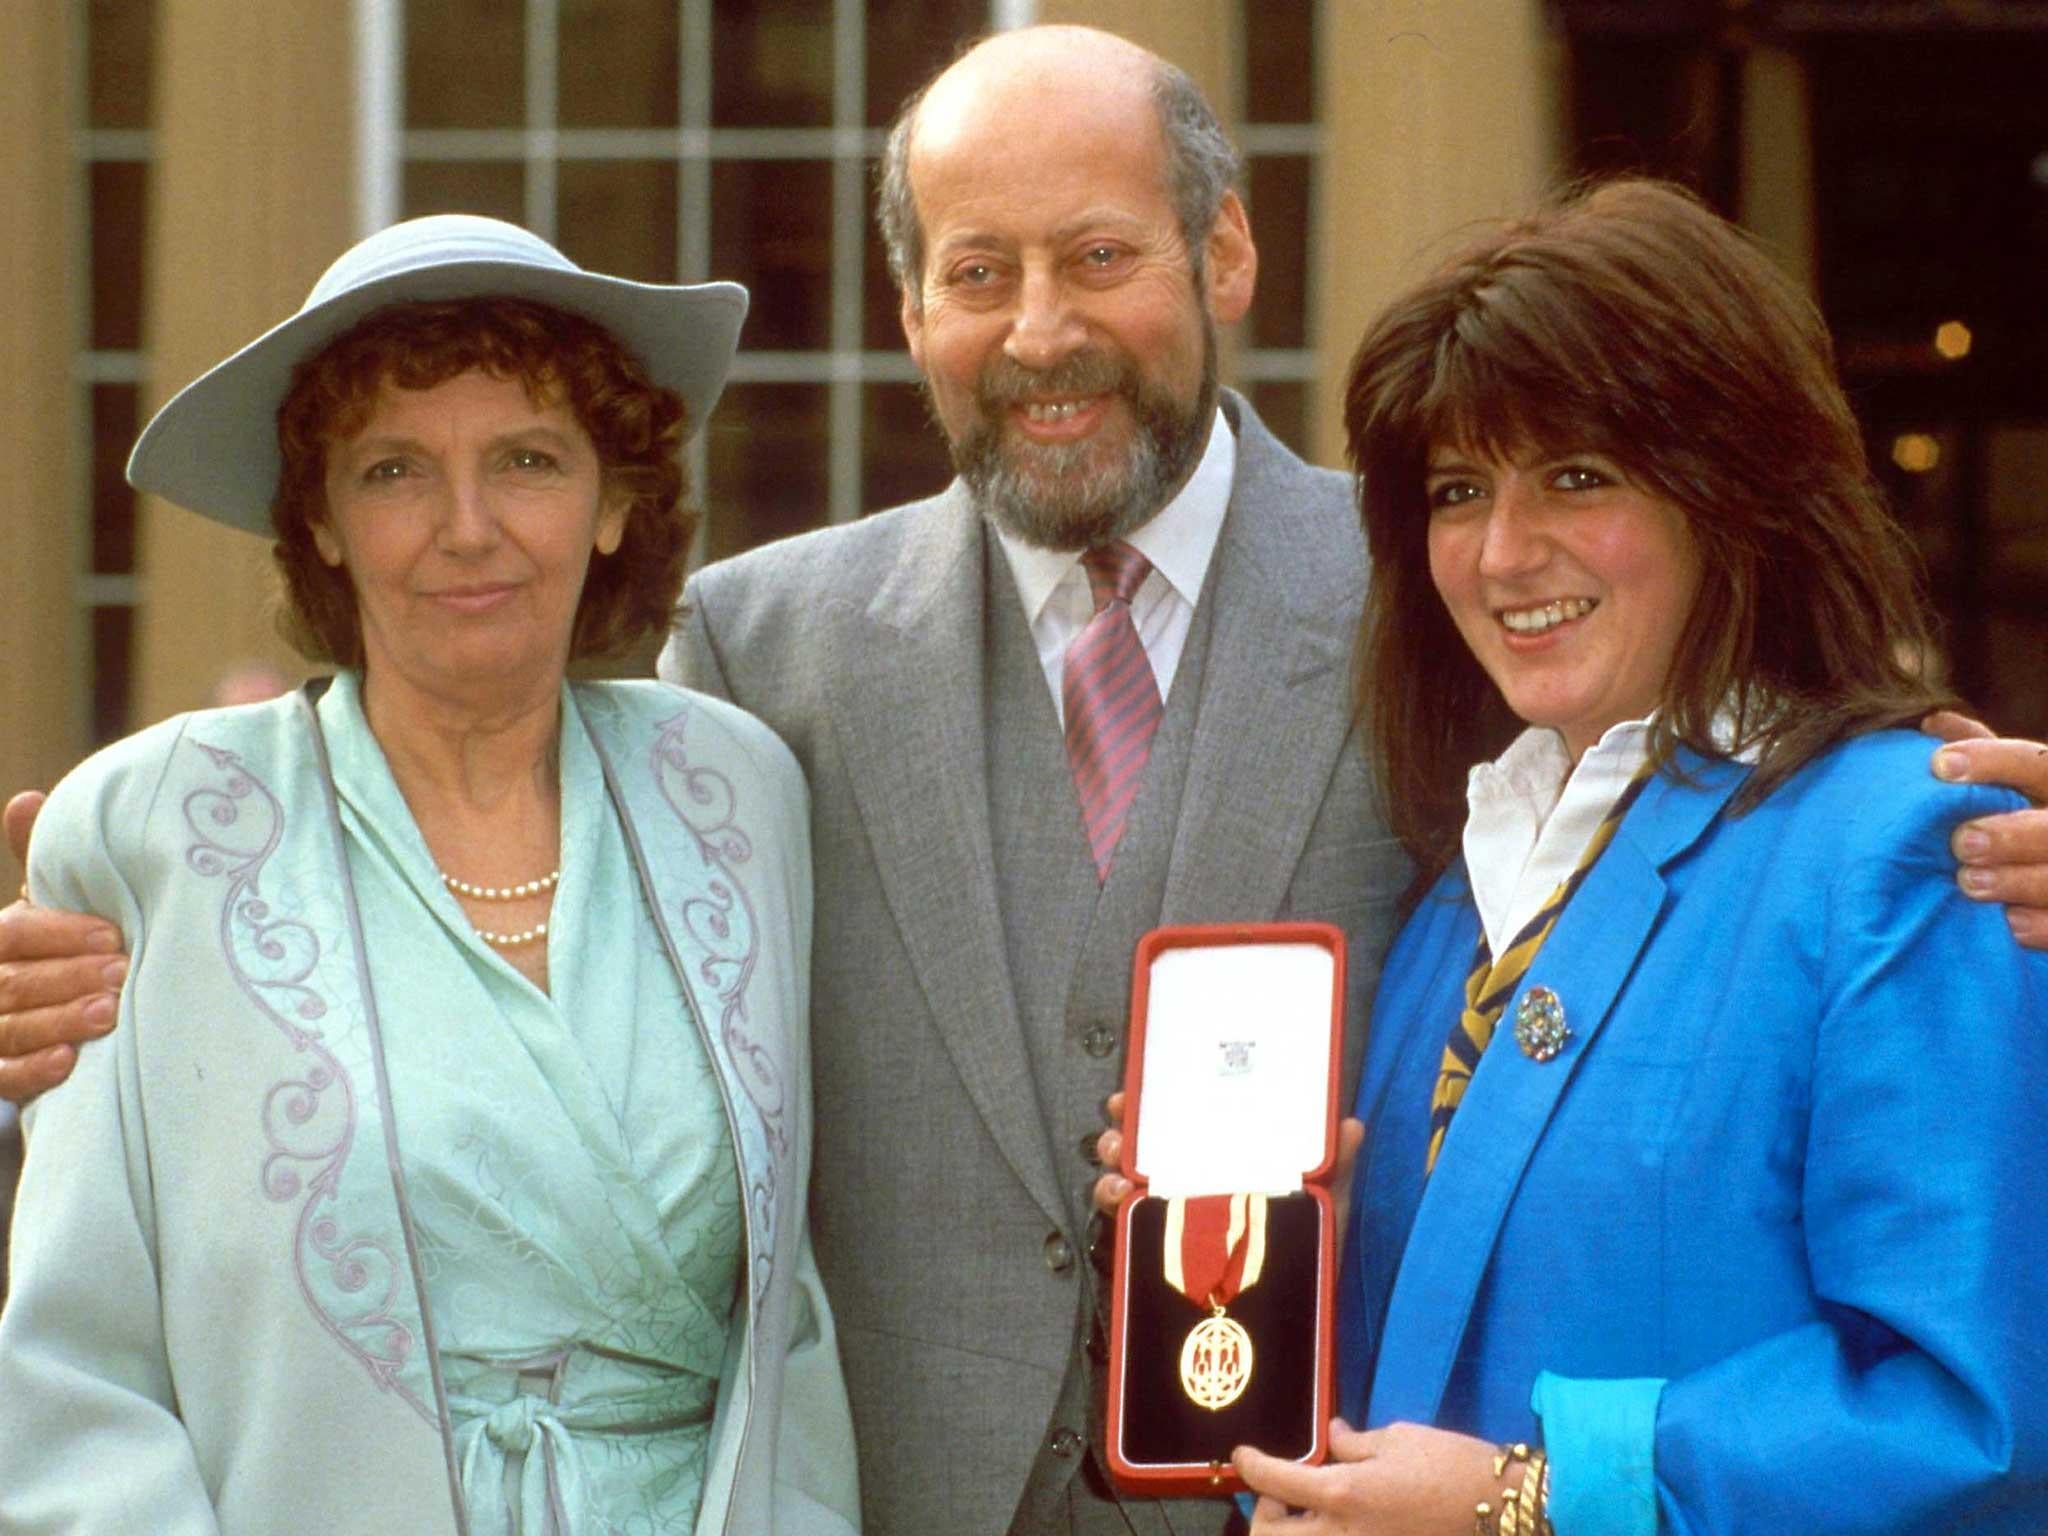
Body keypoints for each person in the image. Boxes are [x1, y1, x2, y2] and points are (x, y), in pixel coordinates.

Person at [6, 25, 2048, 1536]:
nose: (1038, 328)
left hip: (1307, 1489)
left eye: (1095, 256)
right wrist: (91, 948)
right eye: (976, 273)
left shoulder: (1448, 596)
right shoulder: (754, 653)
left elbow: (1743, 827)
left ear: (1228, 256)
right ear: (909, 306)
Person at [0, 215, 860, 1534]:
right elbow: (73, 1374)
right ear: (323, 524)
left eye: (527, 459)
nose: (469, 528)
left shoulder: (734, 794)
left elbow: (789, 1322)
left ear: (616, 496)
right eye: (396, 470)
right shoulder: (157, 825)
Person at [1232, 179, 2048, 1533]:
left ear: (1734, 494)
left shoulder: (1907, 846)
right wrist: (1236, 1226)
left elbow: (1977, 1412)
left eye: (1577, 475)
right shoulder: (1461, 892)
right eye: (1457, 489)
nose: (1503, 552)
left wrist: (1537, 1499)